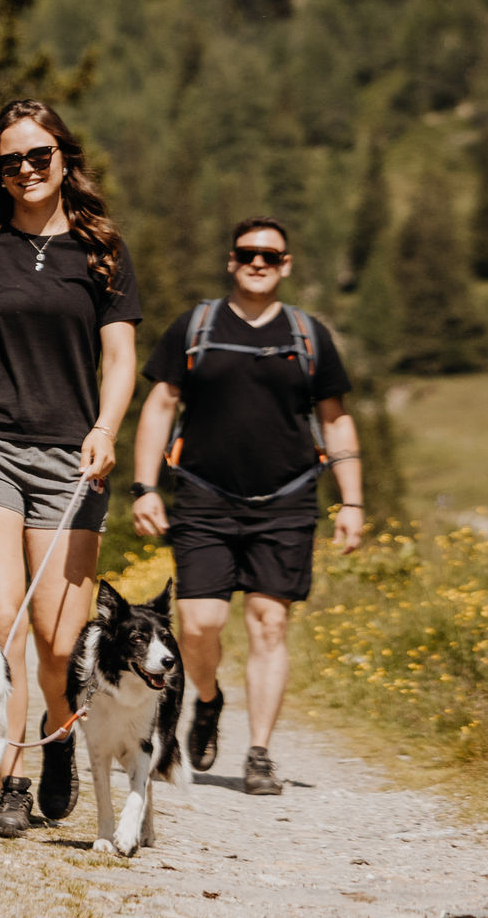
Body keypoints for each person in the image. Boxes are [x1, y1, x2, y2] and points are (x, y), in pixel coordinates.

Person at [0, 99, 141, 836]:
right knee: (3, 622)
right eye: (9, 161)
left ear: (63, 157)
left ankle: (57, 735)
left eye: (38, 156)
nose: (24, 170)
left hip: (71, 457)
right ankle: (6, 776)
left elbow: (119, 356)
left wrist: (107, 428)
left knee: (58, 640)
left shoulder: (101, 250)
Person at [131, 217, 365, 796]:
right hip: (203, 497)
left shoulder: (309, 334)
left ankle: (259, 753)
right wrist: (145, 486)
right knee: (198, 623)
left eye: (270, 255)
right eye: (247, 253)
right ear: (231, 260)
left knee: (270, 623)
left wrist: (353, 501)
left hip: (286, 501)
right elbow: (160, 405)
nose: (258, 262)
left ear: (286, 265)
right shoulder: (197, 326)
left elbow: (336, 421)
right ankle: (207, 700)